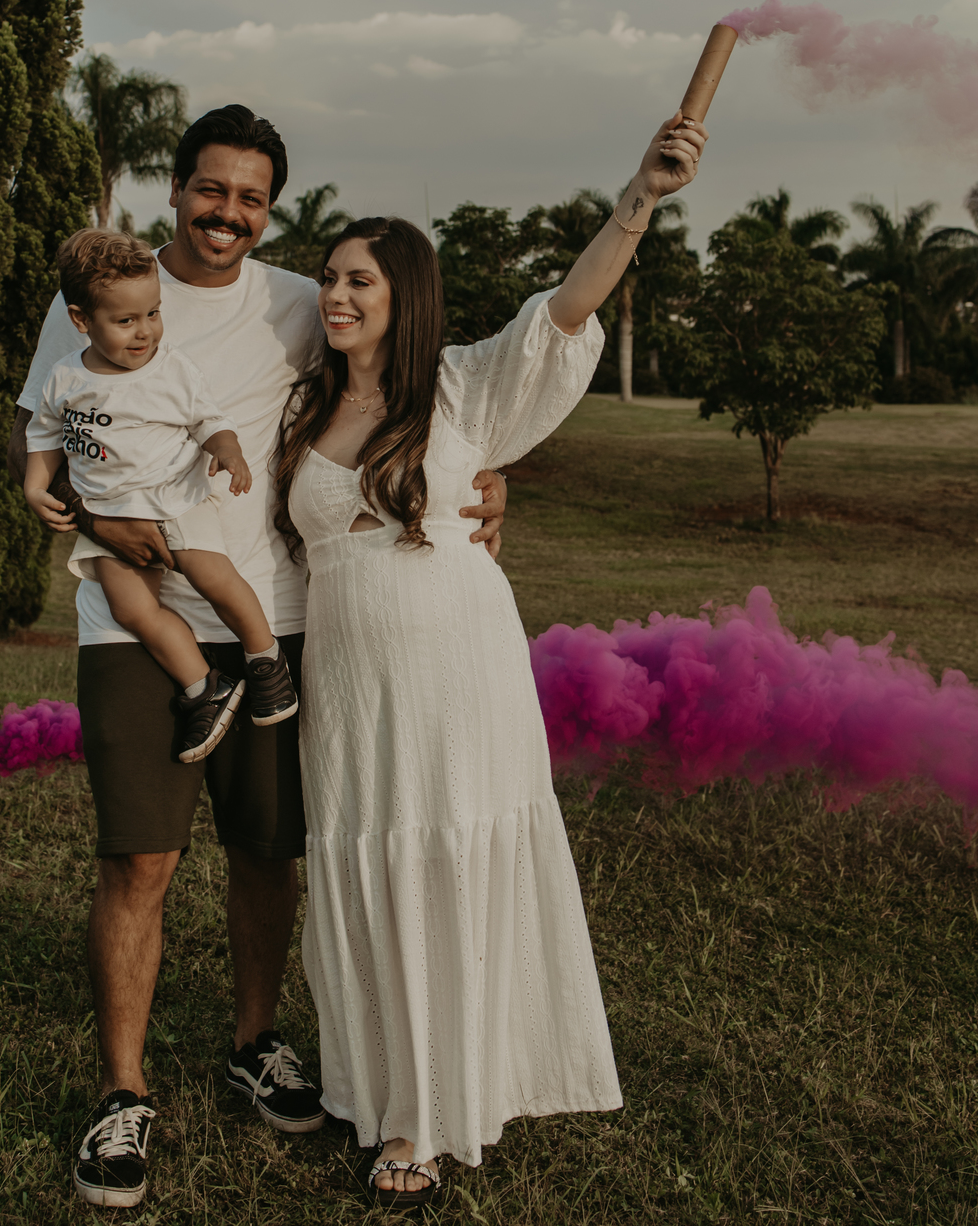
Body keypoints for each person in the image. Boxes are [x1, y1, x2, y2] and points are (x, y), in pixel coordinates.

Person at [5, 105, 508, 1210]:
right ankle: (123, 1093)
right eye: (211, 189)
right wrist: (97, 517)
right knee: (139, 860)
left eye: (250, 197)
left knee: (268, 852)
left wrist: (480, 474)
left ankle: (255, 1043)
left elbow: (392, 391)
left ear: (267, 208)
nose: (227, 212)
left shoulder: (296, 303)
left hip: (274, 618)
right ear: (176, 188)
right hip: (134, 617)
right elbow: (51, 427)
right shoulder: (101, 295)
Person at [272, 110, 706, 1209]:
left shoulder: (461, 388)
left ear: (405, 296)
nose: (336, 295)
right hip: (351, 687)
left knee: (448, 858)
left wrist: (639, 198)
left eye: (360, 281)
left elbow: (567, 309)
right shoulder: (302, 406)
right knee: (370, 861)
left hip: (457, 672)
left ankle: (427, 1116)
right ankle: (383, 1084)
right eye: (330, 277)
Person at [23, 226, 300, 764]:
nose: (145, 331)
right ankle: (205, 687)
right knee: (130, 609)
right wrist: (36, 487)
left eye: (152, 313)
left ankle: (265, 659)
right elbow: (45, 435)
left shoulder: (170, 369)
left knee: (214, 577)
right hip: (108, 516)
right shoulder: (64, 378)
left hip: (176, 502)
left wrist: (228, 451)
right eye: (125, 321)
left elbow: (209, 420)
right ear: (81, 320)